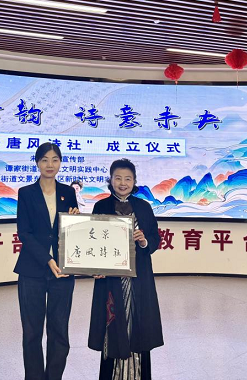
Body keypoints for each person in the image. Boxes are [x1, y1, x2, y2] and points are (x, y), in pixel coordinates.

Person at [88, 159, 164, 380]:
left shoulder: (144, 207)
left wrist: (144, 241)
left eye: (128, 179)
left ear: (134, 181)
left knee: (139, 327)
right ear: (110, 180)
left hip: (139, 278)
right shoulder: (101, 206)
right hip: (110, 279)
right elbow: (92, 242)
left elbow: (155, 238)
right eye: (118, 178)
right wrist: (94, 267)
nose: (123, 183)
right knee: (112, 325)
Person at [14, 142, 80, 380]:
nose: (50, 165)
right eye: (44, 160)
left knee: (59, 330)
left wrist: (76, 220)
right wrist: (48, 260)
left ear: (60, 162)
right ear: (37, 163)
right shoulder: (26, 193)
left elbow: (72, 231)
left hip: (63, 270)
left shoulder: (68, 192)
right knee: (32, 332)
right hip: (32, 270)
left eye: (54, 159)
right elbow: (24, 233)